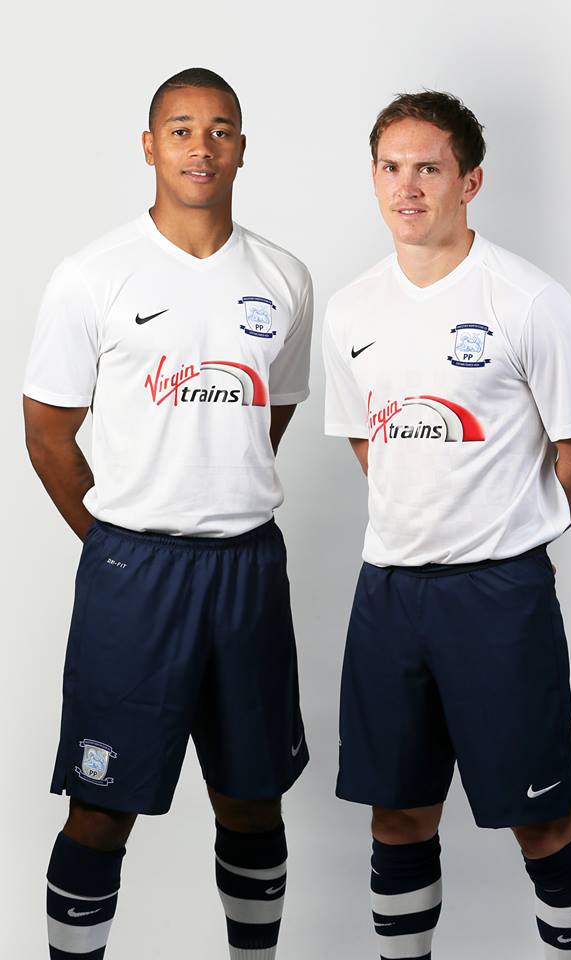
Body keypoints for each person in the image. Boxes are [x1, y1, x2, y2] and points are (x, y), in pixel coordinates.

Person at [23, 67, 313, 960]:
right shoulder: (93, 275)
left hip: (247, 569)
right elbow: (47, 432)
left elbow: (270, 415)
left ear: (242, 149)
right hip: (135, 574)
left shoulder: (284, 278)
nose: (201, 146)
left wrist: (213, 486)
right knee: (101, 806)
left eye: (221, 129)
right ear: (149, 146)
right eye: (182, 129)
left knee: (252, 799)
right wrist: (117, 539)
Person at [322, 90, 571, 959]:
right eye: (391, 168)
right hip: (389, 596)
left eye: (429, 168)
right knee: (398, 815)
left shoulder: (527, 299)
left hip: (497, 599)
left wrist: (517, 536)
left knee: (544, 822)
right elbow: (371, 443)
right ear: (373, 177)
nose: (407, 187)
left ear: (470, 181)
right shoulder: (351, 310)